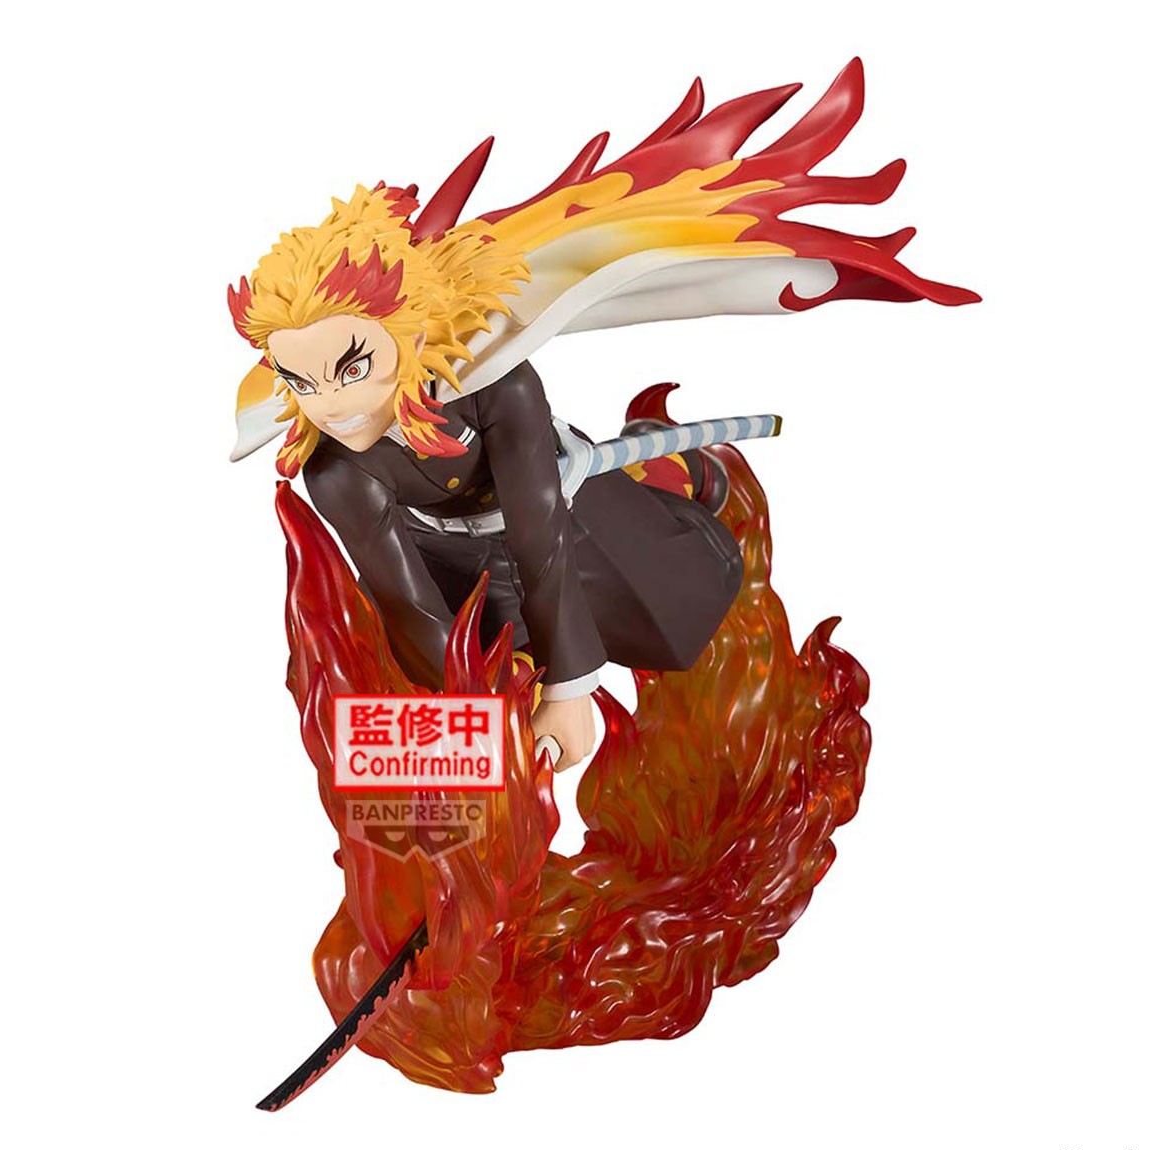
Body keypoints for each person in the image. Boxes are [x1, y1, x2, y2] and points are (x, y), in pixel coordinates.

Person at [228, 61, 977, 765]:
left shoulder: (497, 385)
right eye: (300, 379)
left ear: (414, 336)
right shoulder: (331, 467)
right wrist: (474, 711)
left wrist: (570, 689)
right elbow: (407, 600)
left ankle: (672, 473)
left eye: (352, 367)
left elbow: (539, 530)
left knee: (672, 602)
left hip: (556, 506)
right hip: (444, 558)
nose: (329, 404)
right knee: (424, 660)